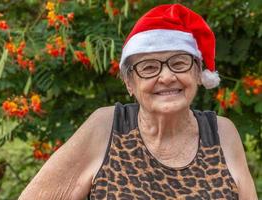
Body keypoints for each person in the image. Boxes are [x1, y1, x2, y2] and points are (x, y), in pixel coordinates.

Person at [19, 4, 258, 200]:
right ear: (129, 84)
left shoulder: (221, 132)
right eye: (149, 67)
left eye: (179, 63)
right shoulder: (106, 127)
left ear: (197, 73)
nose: (166, 77)